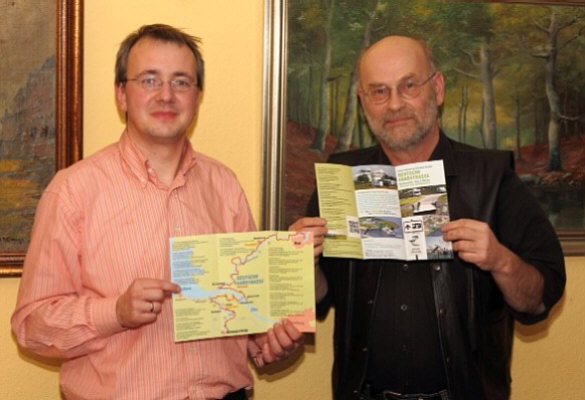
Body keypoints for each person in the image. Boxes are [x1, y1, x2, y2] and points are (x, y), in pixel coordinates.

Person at [12, 24, 303, 400]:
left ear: (197, 97)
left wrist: (270, 339)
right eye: (149, 80)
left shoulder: (225, 185)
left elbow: (247, 317)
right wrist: (115, 312)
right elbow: (32, 326)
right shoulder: (72, 191)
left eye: (181, 82)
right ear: (121, 94)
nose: (166, 95)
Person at [291, 36, 565, 400]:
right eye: (379, 91)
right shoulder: (341, 178)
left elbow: (539, 298)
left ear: (437, 89)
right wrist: (303, 264)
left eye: (409, 86)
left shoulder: (492, 178)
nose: (394, 104)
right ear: (363, 101)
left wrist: (501, 261)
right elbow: (321, 297)